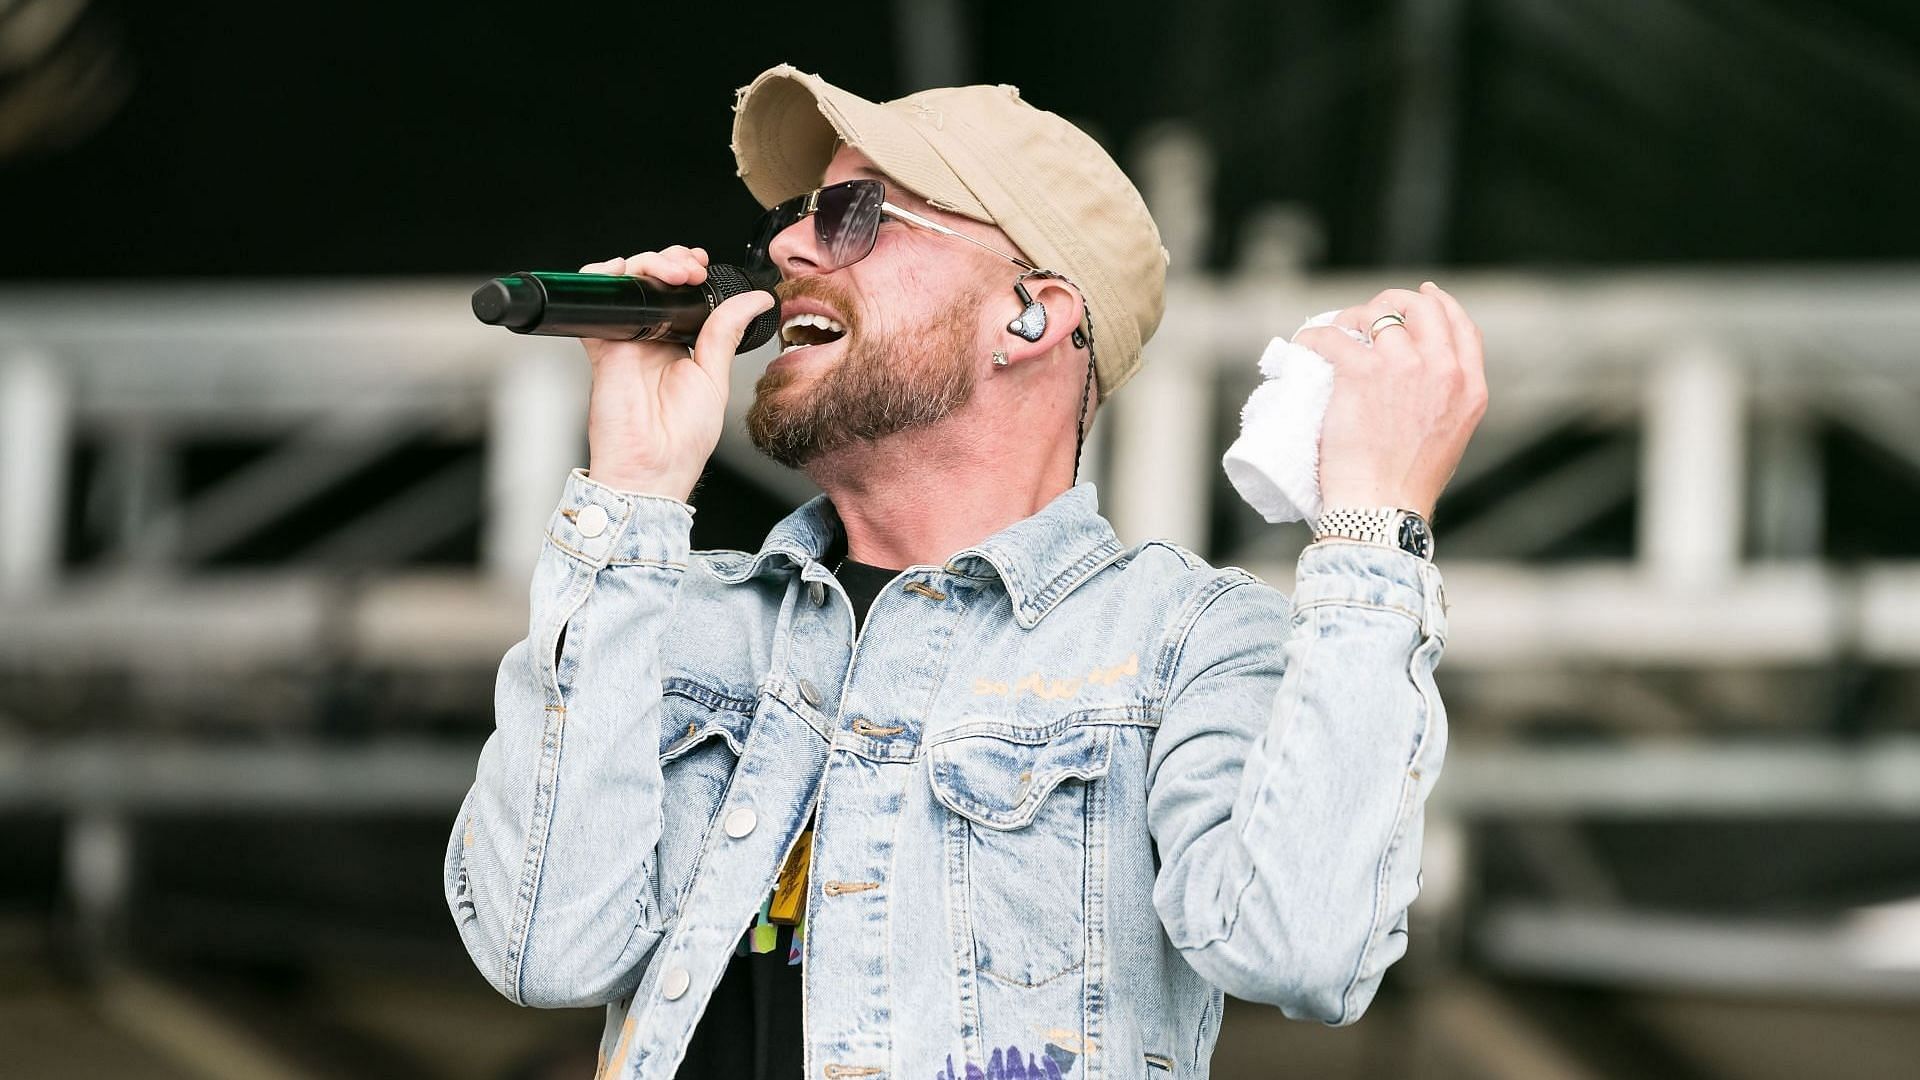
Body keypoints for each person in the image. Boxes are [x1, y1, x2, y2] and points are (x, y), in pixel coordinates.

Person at [445, 63, 1486, 1080]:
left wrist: (1373, 529)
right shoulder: (676, 616)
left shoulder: (1182, 644)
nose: (789, 246)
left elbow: (1301, 947)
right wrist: (632, 487)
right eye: (791, 220)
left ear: (1031, 315)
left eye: (854, 214)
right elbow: (543, 949)